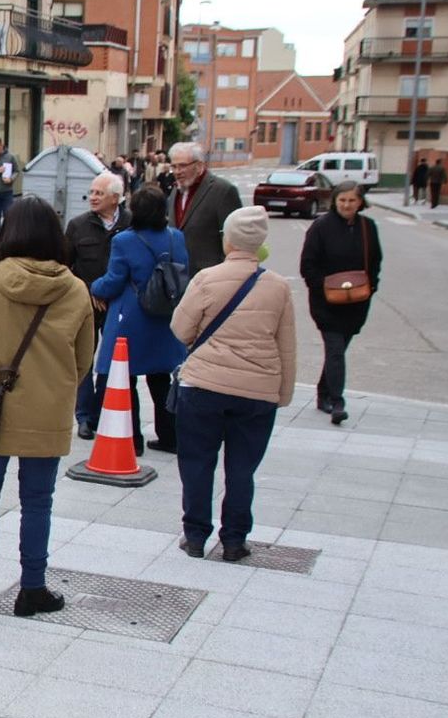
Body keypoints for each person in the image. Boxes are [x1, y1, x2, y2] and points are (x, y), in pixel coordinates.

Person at [0, 197, 93, 621]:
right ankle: (33, 589)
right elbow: (84, 358)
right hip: (48, 409)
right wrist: (59, 389)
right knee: (38, 502)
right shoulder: (75, 288)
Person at [171, 206, 295, 561]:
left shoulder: (206, 279)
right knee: (242, 468)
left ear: (228, 240)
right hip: (257, 392)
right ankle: (235, 540)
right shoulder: (278, 287)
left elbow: (181, 329)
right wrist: (282, 393)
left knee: (197, 462)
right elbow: (286, 345)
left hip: (204, 386)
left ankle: (195, 535)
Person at [90, 185, 188, 455]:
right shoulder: (175, 237)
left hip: (132, 316)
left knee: (125, 378)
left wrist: (94, 288)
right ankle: (169, 435)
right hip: (166, 315)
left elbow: (113, 281)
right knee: (160, 378)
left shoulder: (124, 240)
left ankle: (132, 439)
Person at [299, 180, 382, 425]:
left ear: (360, 202)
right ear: (335, 201)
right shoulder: (320, 226)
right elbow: (308, 266)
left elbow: (375, 261)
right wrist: (323, 289)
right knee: (335, 349)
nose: (347, 205)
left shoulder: (368, 227)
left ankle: (323, 392)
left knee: (338, 351)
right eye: (342, 200)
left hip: (356, 302)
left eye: (352, 200)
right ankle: (337, 402)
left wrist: (371, 287)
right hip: (327, 303)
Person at [66, 172, 131, 439]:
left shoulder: (131, 224)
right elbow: (65, 266)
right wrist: (88, 291)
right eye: (91, 192)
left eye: (99, 194)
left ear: (115, 198)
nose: (92, 198)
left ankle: (100, 410)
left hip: (119, 304)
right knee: (83, 360)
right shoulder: (78, 225)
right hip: (86, 304)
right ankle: (83, 417)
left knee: (114, 361)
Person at [167, 140, 242, 276]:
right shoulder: (176, 190)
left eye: (183, 166)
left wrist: (223, 274)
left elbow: (235, 239)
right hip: (178, 276)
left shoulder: (223, 190)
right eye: (174, 167)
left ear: (199, 165)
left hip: (211, 276)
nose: (177, 172)